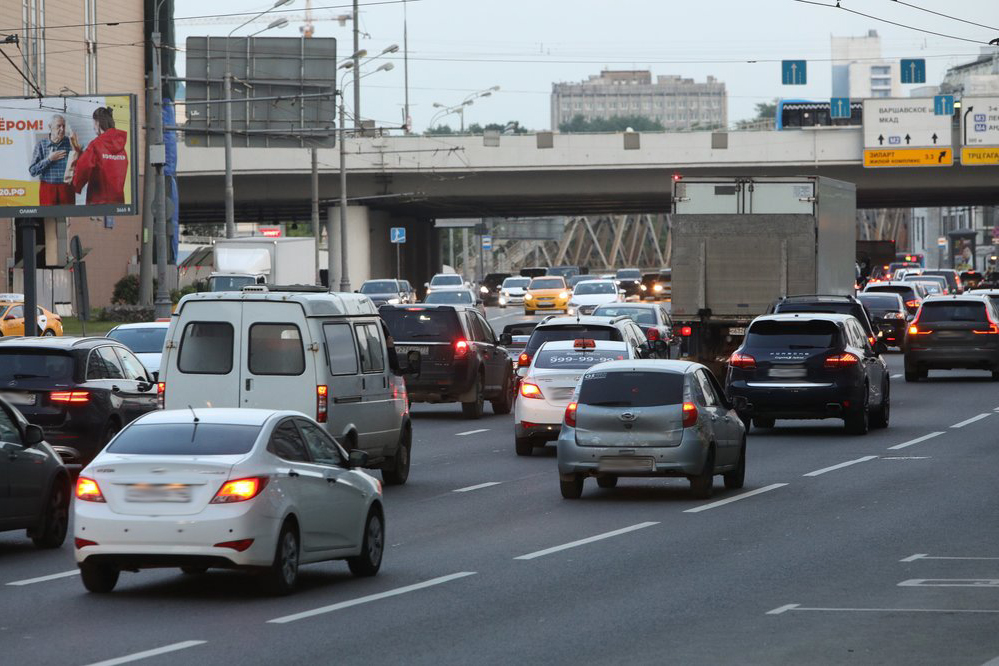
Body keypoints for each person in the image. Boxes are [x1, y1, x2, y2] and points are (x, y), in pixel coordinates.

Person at [71, 106, 128, 204]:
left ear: (97, 122)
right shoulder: (122, 148)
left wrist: (76, 185)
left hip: (98, 201)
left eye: (93, 123)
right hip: (118, 201)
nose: (93, 127)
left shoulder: (96, 144)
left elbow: (83, 167)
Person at [28, 114, 75, 205]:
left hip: (67, 189)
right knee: (48, 217)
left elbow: (79, 164)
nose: (62, 129)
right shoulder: (41, 145)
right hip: (47, 189)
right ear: (50, 127)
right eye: (58, 126)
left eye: (63, 126)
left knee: (69, 216)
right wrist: (49, 159)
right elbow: (32, 171)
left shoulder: (70, 142)